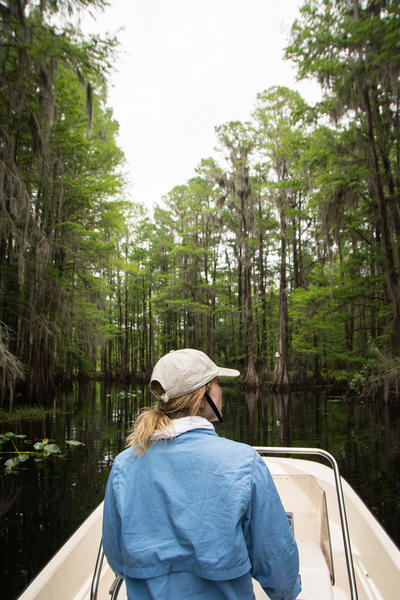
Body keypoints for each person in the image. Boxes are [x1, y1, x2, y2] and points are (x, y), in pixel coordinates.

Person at [102, 348, 301, 600]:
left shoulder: (124, 465)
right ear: (203, 395)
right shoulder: (244, 461)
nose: (220, 391)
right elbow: (277, 564)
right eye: (216, 384)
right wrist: (287, 593)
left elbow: (117, 557)